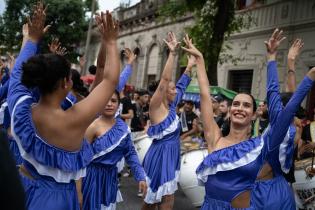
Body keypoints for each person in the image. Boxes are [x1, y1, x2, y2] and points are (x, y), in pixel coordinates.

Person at [181, 30, 315, 209]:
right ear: (230, 109)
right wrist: (200, 60)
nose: (239, 108)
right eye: (236, 104)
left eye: (246, 105)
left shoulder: (261, 146)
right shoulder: (215, 138)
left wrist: (303, 75)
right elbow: (205, 95)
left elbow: (286, 109)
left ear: (254, 115)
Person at [8, 5, 120, 210]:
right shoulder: (76, 118)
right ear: (65, 84)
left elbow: (16, 77)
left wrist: (32, 40)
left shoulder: (21, 109)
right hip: (58, 199)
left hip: (22, 187)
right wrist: (111, 41)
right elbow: (111, 80)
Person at [141, 32, 192, 210]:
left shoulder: (172, 105)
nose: (175, 90)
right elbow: (165, 79)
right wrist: (172, 53)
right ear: (163, 92)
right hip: (159, 156)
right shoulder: (155, 106)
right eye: (172, 88)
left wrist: (190, 65)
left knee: (167, 198)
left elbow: (182, 84)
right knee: (152, 201)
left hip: (171, 155)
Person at [80, 90, 147, 210]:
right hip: (91, 178)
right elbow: (80, 160)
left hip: (111, 178)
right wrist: (77, 189)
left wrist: (140, 176)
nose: (109, 104)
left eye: (114, 101)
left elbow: (130, 153)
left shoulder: (123, 128)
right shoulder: (92, 126)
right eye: (106, 100)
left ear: (118, 105)